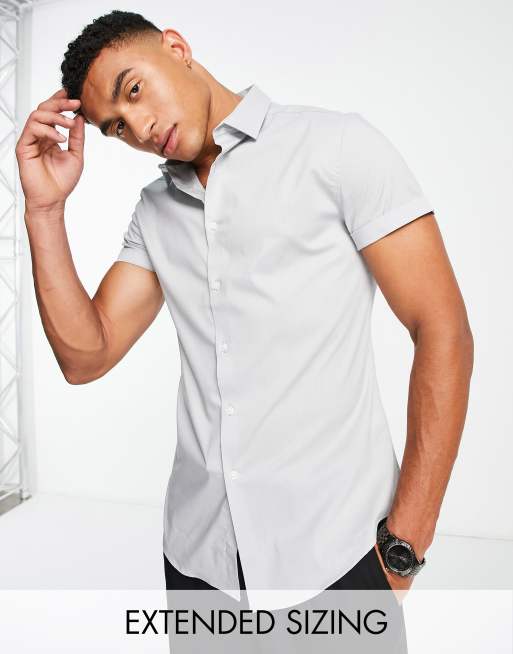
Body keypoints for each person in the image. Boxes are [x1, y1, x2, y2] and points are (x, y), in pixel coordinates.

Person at [15, 9, 474, 651]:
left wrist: (404, 549)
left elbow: (442, 328)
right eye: (116, 126)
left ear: (176, 47)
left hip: (340, 564)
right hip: (200, 569)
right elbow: (85, 355)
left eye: (134, 89)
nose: (139, 128)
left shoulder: (336, 148)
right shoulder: (155, 210)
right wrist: (44, 209)